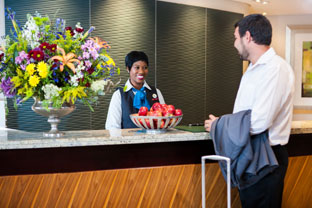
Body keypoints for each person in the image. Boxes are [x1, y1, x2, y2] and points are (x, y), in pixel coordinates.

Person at [204, 14, 295, 208]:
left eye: (236, 38)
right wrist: (225, 122)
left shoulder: (275, 69)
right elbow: (245, 116)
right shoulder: (253, 69)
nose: (235, 43)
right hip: (251, 157)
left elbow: (259, 122)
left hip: (266, 160)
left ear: (248, 37)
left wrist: (220, 125)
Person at [105, 51, 165, 129]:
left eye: (145, 68)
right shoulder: (119, 94)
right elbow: (112, 127)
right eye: (137, 67)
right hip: (128, 140)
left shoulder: (156, 92)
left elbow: (164, 120)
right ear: (128, 69)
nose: (141, 72)